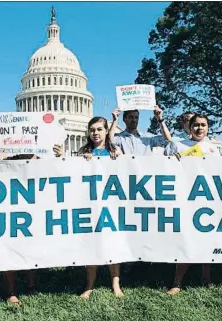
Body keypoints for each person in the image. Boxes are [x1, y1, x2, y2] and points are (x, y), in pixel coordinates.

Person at [0, 144, 63, 306]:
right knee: (10, 252)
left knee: (30, 251)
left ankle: (31, 286)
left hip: (35, 213)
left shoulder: (43, 159)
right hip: (13, 213)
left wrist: (61, 157)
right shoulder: (11, 159)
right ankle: (11, 292)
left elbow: (59, 174)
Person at [164, 113, 222, 295]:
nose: (199, 128)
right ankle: (177, 281)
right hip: (185, 199)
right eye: (196, 125)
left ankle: (206, 277)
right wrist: (172, 160)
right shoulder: (177, 145)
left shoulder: (214, 149)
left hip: (207, 199)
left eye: (203, 125)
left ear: (208, 127)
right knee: (186, 239)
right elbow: (163, 169)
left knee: (206, 238)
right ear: (189, 127)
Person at [77, 116, 123, 299]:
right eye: (92, 130)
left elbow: (126, 173)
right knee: (92, 244)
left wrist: (119, 160)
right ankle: (89, 285)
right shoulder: (83, 151)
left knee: (113, 243)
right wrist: (82, 161)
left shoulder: (115, 150)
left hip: (111, 202)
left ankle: (116, 284)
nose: (95, 133)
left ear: (106, 131)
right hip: (90, 204)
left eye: (99, 129)